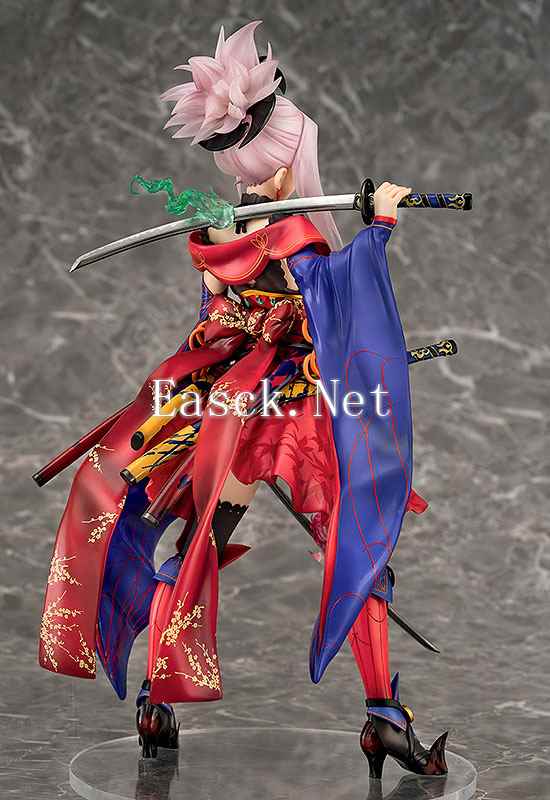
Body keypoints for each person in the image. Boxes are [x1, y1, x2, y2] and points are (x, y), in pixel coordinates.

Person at [38, 21, 448, 777]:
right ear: (289, 167)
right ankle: (385, 716)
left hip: (224, 408)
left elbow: (215, 320)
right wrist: (381, 228)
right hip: (290, 412)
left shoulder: (218, 237)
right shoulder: (295, 236)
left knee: (194, 539)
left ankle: (156, 701)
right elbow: (340, 308)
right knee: (357, 549)